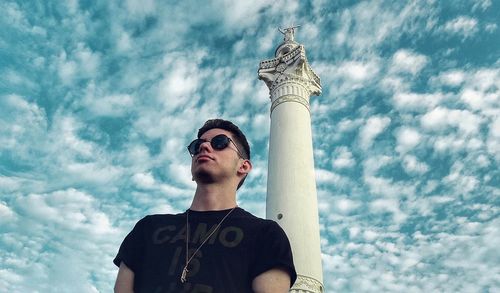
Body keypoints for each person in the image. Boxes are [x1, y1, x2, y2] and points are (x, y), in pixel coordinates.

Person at [113, 119, 297, 293]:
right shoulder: (148, 228)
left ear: (243, 166)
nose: (203, 146)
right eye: (196, 146)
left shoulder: (266, 235)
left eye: (220, 142)